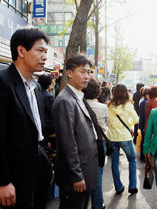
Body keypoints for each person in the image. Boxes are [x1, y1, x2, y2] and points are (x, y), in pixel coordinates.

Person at [0, 28, 52, 209]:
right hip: (14, 174)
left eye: (46, 52)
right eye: (40, 51)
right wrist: (2, 181)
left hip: (39, 165)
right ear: (21, 51)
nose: (44, 57)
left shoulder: (35, 86)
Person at [52, 54, 105, 209]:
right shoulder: (64, 101)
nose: (87, 76)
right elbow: (68, 143)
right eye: (82, 72)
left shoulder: (78, 97)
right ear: (69, 73)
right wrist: (76, 175)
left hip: (85, 172)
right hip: (75, 177)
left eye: (89, 72)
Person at [107, 84, 139, 195]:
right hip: (125, 137)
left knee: (114, 162)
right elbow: (136, 119)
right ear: (126, 92)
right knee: (132, 161)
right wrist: (128, 125)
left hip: (112, 137)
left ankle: (118, 187)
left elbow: (107, 122)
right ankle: (132, 186)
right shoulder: (128, 105)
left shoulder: (109, 106)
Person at [82, 78, 108, 209]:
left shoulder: (79, 104)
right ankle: (98, 204)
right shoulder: (103, 107)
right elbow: (106, 126)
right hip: (99, 144)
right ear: (98, 92)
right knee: (97, 176)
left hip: (83, 144)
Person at [138, 87, 148, 162]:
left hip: (142, 124)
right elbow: (144, 116)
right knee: (144, 141)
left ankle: (143, 156)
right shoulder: (144, 102)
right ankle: (143, 156)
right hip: (144, 124)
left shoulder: (143, 101)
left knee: (143, 140)